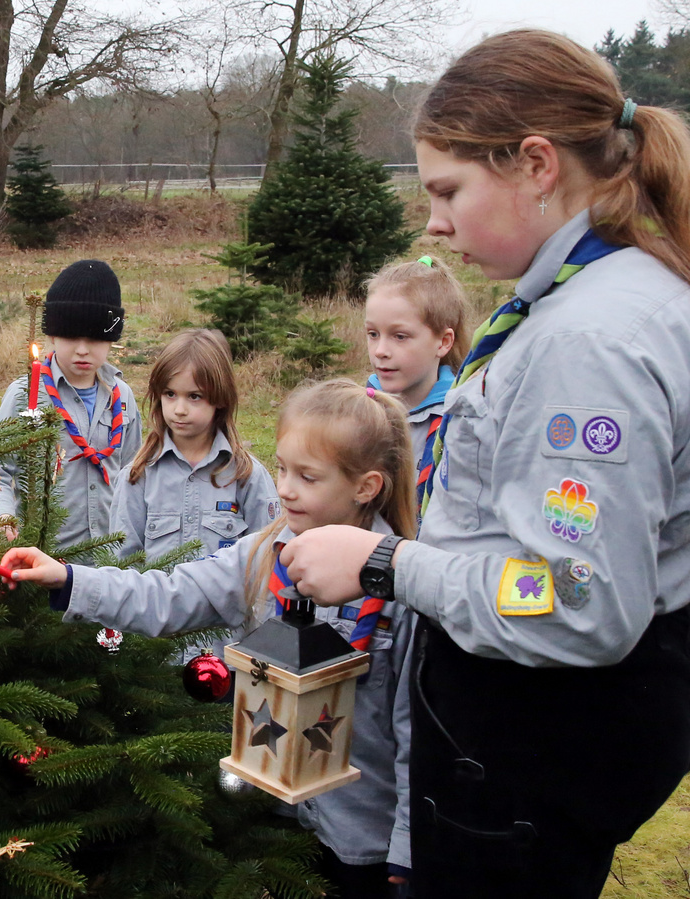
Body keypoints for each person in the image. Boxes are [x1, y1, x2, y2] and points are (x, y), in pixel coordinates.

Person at [280, 30, 690, 898]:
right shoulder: (589, 304)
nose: (432, 222)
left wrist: (387, 562)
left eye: (448, 189)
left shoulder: (592, 346)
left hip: (523, 764)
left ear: (536, 164)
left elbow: (578, 599)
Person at [5, 379, 416, 898]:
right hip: (264, 815)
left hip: (360, 836)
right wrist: (70, 579)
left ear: (366, 487)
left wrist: (406, 845)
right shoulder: (261, 554)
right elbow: (168, 594)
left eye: (308, 478)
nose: (284, 489)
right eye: (283, 469)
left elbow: (413, 735)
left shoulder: (402, 591)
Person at [0, 259, 142, 550]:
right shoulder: (24, 395)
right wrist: (5, 517)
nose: (82, 349)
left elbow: (134, 472)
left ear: (112, 338)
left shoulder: (123, 397)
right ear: (52, 334)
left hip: (112, 561)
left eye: (94, 338)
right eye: (70, 337)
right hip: (46, 557)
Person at [112, 328, 277, 565]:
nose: (179, 409)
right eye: (170, 394)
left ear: (220, 398)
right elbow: (122, 565)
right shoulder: (136, 477)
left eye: (194, 396)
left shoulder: (247, 476)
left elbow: (266, 561)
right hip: (155, 603)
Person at [362, 256, 467, 499]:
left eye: (400, 336)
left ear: (443, 342)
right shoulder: (357, 412)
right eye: (373, 334)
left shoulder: (461, 423)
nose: (380, 350)